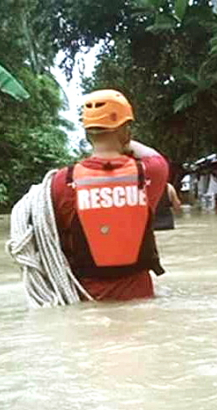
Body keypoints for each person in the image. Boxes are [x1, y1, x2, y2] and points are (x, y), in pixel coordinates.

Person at [50, 89, 170, 301]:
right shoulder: (149, 173)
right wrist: (124, 141)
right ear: (125, 129)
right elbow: (155, 156)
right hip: (139, 297)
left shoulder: (62, 182)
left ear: (87, 133)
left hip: (86, 297)